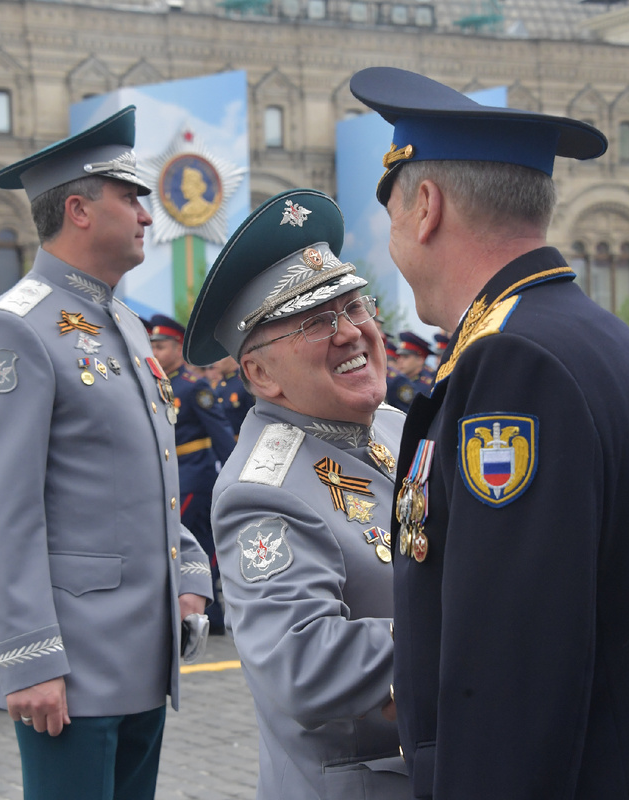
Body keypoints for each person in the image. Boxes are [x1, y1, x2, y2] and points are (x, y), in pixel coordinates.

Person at [350, 67, 629, 798]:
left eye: (390, 217)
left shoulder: (513, 365)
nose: (392, 243)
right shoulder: (602, 340)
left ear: (426, 208)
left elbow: (508, 666)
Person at [0, 105, 213, 800]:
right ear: (78, 210)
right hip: (70, 660)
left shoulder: (121, 322)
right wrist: (28, 656)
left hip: (142, 648)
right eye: (131, 198)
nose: (147, 215)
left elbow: (147, 470)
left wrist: (188, 568)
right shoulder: (14, 329)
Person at [185, 188, 409, 799]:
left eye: (354, 306)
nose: (350, 332)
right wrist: (467, 621)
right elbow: (304, 664)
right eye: (315, 322)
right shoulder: (262, 491)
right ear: (260, 374)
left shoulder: (393, 426)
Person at [148, 313, 235, 633]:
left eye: (161, 346)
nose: (155, 352)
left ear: (178, 348)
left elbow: (220, 433)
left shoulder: (192, 386)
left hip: (193, 477)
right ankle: (212, 617)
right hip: (174, 476)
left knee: (177, 540)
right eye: (152, 346)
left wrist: (234, 474)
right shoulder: (158, 383)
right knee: (201, 546)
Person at [387, 332, 432, 410]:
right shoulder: (397, 380)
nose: (400, 361)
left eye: (405, 357)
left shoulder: (427, 386)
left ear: (420, 360)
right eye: (399, 356)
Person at [211, 356, 253, 437]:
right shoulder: (217, 386)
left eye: (220, 358)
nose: (215, 363)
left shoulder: (244, 383)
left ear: (232, 358)